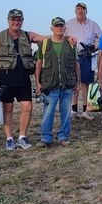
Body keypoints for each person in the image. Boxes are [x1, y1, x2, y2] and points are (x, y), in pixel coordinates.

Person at [0, 9, 46, 151]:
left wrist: (66, 36)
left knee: (27, 107)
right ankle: (9, 139)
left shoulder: (28, 35)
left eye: (19, 20)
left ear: (22, 21)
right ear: (8, 20)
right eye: (13, 20)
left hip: (23, 78)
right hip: (5, 78)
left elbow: (47, 38)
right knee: (7, 108)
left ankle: (22, 137)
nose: (16, 22)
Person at [35, 17, 80, 148]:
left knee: (66, 113)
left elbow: (76, 63)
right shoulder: (44, 44)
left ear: (65, 28)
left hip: (67, 84)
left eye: (61, 26)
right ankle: (45, 137)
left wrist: (78, 82)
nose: (59, 28)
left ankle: (63, 136)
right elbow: (38, 64)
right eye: (56, 26)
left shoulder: (71, 44)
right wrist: (37, 82)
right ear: (52, 28)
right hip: (50, 84)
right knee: (48, 112)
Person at [65, 2, 102, 120]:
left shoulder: (93, 24)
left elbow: (101, 38)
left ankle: (86, 110)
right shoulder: (69, 24)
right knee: (73, 82)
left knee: (86, 83)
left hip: (87, 56)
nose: (80, 11)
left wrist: (94, 46)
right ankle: (74, 109)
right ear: (75, 11)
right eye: (78, 9)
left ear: (86, 11)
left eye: (82, 9)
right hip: (72, 56)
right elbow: (62, 36)